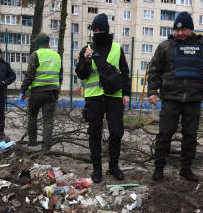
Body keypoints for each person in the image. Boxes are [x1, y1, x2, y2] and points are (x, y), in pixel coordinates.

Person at [147, 11, 203, 182]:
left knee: (190, 135)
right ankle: (159, 168)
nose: (180, 33)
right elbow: (154, 71)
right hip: (170, 98)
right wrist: (152, 91)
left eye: (184, 30)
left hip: (193, 99)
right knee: (165, 133)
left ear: (191, 29)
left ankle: (186, 169)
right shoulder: (165, 46)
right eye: (177, 30)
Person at [75, 13, 131, 183]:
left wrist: (126, 94)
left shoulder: (116, 48)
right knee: (94, 134)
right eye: (95, 29)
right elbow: (81, 75)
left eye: (101, 29)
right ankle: (97, 169)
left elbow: (125, 73)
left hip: (114, 97)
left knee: (116, 132)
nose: (98, 32)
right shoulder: (87, 49)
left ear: (107, 30)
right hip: (94, 98)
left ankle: (114, 167)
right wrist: (85, 60)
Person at [20, 33, 62, 151]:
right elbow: (61, 75)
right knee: (48, 120)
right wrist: (57, 89)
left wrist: (23, 90)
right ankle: (46, 146)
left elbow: (30, 74)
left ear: (39, 43)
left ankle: (32, 142)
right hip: (52, 93)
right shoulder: (57, 56)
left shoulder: (36, 55)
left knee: (32, 116)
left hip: (37, 92)